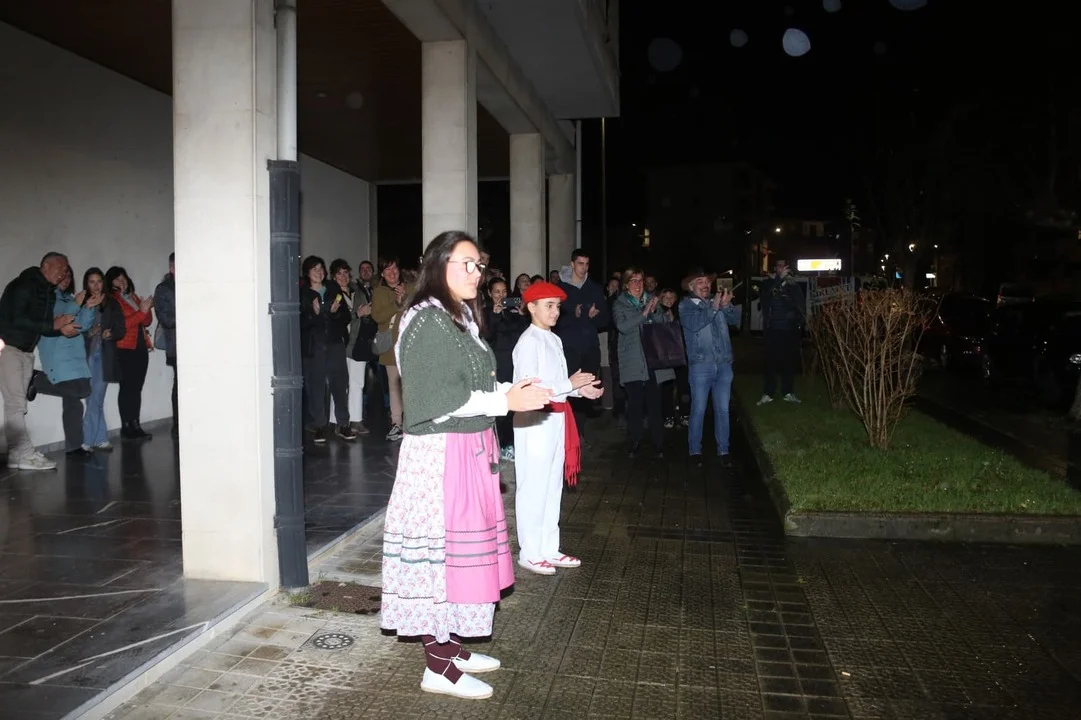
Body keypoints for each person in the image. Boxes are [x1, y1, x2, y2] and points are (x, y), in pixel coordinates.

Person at [380, 230, 551, 701]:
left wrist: (515, 392)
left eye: (479, 265)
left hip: (465, 449)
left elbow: (474, 385)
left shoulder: (456, 315)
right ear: (439, 265)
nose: (476, 272)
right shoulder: (426, 319)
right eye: (466, 264)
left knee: (460, 559)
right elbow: (437, 401)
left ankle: (449, 647)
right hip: (440, 456)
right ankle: (437, 668)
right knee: (442, 562)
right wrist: (504, 402)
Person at [512, 281, 603, 576]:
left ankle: (549, 548)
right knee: (533, 486)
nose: (555, 311)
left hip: (555, 418)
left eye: (557, 306)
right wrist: (569, 384)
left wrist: (580, 390)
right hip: (534, 420)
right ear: (531, 307)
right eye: (549, 306)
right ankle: (530, 552)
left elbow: (559, 384)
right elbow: (530, 387)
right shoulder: (528, 342)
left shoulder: (553, 339)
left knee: (552, 486)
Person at [0, 252, 78, 471]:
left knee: (19, 405)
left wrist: (61, 329)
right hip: (8, 349)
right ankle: (24, 453)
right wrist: (53, 325)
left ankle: (17, 455)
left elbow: (42, 326)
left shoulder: (48, 292)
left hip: (26, 351)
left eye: (66, 270)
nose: (63, 274)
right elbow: (18, 319)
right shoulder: (24, 285)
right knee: (15, 404)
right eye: (60, 268)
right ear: (46, 266)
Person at [679, 269, 742, 468]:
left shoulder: (717, 303)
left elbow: (735, 321)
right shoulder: (686, 305)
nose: (705, 285)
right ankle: (694, 451)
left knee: (723, 409)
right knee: (698, 409)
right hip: (700, 366)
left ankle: (724, 450)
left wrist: (727, 306)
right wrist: (714, 307)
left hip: (723, 364)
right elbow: (694, 324)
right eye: (700, 281)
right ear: (691, 286)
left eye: (707, 281)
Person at [555, 249, 609, 429]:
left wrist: (593, 316)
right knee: (569, 390)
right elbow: (554, 320)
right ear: (572, 264)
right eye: (580, 263)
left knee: (586, 391)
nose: (583, 268)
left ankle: (580, 432)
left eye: (586, 264)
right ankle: (568, 431)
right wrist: (574, 313)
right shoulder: (560, 288)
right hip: (569, 347)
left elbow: (605, 319)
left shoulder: (594, 288)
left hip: (589, 347)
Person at [759, 260, 805, 405]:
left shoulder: (793, 285)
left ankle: (788, 392)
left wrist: (798, 321)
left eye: (785, 266)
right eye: (779, 265)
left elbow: (801, 305)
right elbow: (765, 296)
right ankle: (768, 393)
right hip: (773, 329)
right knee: (771, 363)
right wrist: (778, 279)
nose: (783, 268)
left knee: (789, 363)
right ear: (775, 268)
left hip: (790, 330)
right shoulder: (768, 283)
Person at [154, 253, 177, 434]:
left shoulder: (193, 284)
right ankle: (178, 424)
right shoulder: (163, 289)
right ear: (171, 268)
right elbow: (166, 319)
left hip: (198, 345)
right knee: (181, 384)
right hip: (177, 345)